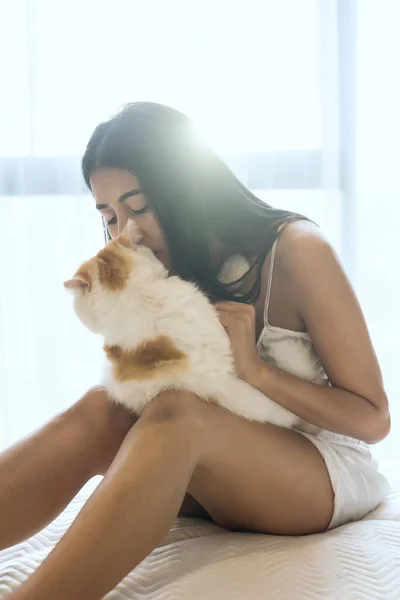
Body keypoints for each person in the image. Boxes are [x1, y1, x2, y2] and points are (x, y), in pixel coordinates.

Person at [2, 102, 391, 600]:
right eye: (109, 216)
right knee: (105, 408)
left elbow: (374, 419)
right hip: (217, 467)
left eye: (138, 207)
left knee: (180, 414)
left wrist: (257, 372)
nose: (126, 231)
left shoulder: (298, 250)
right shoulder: (158, 264)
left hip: (320, 472)